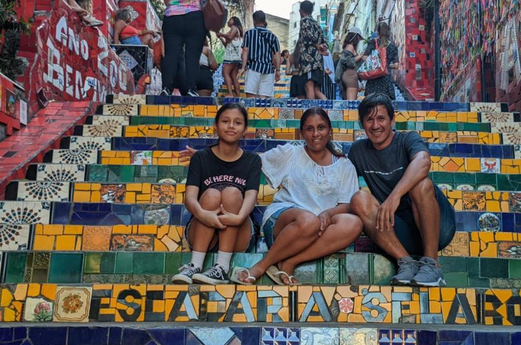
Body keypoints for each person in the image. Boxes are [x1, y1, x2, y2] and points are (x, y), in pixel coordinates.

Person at [231, 107, 363, 285]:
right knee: (308, 220)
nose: (316, 134)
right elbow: (253, 162)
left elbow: (348, 205)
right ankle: (263, 265)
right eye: (309, 129)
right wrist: (214, 158)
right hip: (284, 222)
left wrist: (328, 213)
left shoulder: (344, 165)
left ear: (330, 131)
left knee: (354, 223)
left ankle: (290, 262)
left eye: (321, 127)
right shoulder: (290, 153)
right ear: (302, 133)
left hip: (318, 230)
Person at [348, 94, 456, 287]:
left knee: (421, 184)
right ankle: (406, 262)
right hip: (398, 231)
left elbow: (423, 161)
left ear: (392, 120)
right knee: (358, 199)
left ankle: (432, 265)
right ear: (362, 123)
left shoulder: (407, 139)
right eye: (369, 119)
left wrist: (394, 197)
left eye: (381, 118)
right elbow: (342, 183)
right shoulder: (358, 151)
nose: (375, 125)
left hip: (438, 228)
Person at [171, 103, 262, 285]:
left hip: (238, 231)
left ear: (244, 130)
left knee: (232, 193)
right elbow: (189, 197)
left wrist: (238, 218)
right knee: (211, 194)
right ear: (215, 125)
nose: (230, 126)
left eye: (237, 122)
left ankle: (222, 267)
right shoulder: (201, 158)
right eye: (225, 121)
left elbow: (251, 196)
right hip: (203, 230)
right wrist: (202, 213)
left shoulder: (252, 160)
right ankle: (195, 265)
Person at [161, 0, 207, 97]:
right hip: (195, 19)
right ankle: (192, 89)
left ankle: (166, 88)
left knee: (171, 55)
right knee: (192, 56)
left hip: (172, 19)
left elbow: (166, 0)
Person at [241, 10, 281, 98]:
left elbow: (245, 50)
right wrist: (278, 70)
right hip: (268, 69)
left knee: (251, 96)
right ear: (264, 20)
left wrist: (243, 68)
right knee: (265, 98)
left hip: (253, 67)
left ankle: (251, 111)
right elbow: (277, 54)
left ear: (254, 21)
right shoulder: (273, 36)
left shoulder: (249, 34)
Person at [296, 0, 327, 99]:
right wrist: (320, 46)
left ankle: (312, 111)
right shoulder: (316, 24)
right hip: (318, 60)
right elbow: (323, 41)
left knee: (308, 86)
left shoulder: (305, 21)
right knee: (316, 89)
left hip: (309, 60)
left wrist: (316, 45)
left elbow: (308, 37)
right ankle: (326, 107)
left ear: (300, 11)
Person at [364, 21, 398, 100]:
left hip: (373, 78)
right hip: (386, 80)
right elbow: (396, 65)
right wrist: (385, 65)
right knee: (386, 103)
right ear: (388, 32)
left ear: (378, 32)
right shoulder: (393, 47)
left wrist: (376, 63)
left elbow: (365, 57)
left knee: (372, 102)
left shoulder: (373, 43)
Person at [217, 17, 244, 97]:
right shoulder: (236, 30)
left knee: (225, 73)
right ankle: (238, 95)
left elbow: (229, 37)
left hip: (230, 57)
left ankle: (230, 93)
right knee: (233, 76)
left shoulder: (234, 28)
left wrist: (221, 34)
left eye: (230, 20)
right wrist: (221, 38)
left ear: (234, 21)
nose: (228, 21)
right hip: (235, 57)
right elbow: (227, 45)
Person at [338, 27, 365, 100]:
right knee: (351, 103)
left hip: (349, 76)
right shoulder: (350, 46)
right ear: (356, 36)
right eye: (359, 37)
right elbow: (349, 62)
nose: (359, 40)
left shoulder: (348, 46)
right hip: (350, 77)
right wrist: (360, 56)